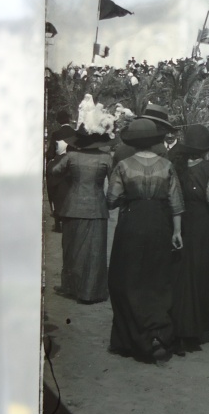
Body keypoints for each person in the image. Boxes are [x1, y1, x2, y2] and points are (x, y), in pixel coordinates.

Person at [106, 118, 185, 362]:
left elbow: (112, 199)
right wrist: (177, 232)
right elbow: (176, 203)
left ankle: (130, 338)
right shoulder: (166, 165)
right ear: (154, 141)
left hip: (131, 223)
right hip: (159, 224)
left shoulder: (123, 165)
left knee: (128, 277)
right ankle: (157, 334)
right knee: (157, 278)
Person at [167, 125, 209, 354]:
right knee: (202, 272)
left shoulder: (177, 165)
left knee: (181, 273)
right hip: (202, 223)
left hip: (181, 220)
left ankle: (179, 326)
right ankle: (198, 327)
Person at [47, 123, 113, 304]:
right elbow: (114, 184)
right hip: (97, 208)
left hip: (72, 206)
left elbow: (54, 171)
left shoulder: (72, 156)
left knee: (71, 249)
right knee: (94, 252)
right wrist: (109, 201)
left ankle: (69, 287)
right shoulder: (106, 158)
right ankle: (91, 292)